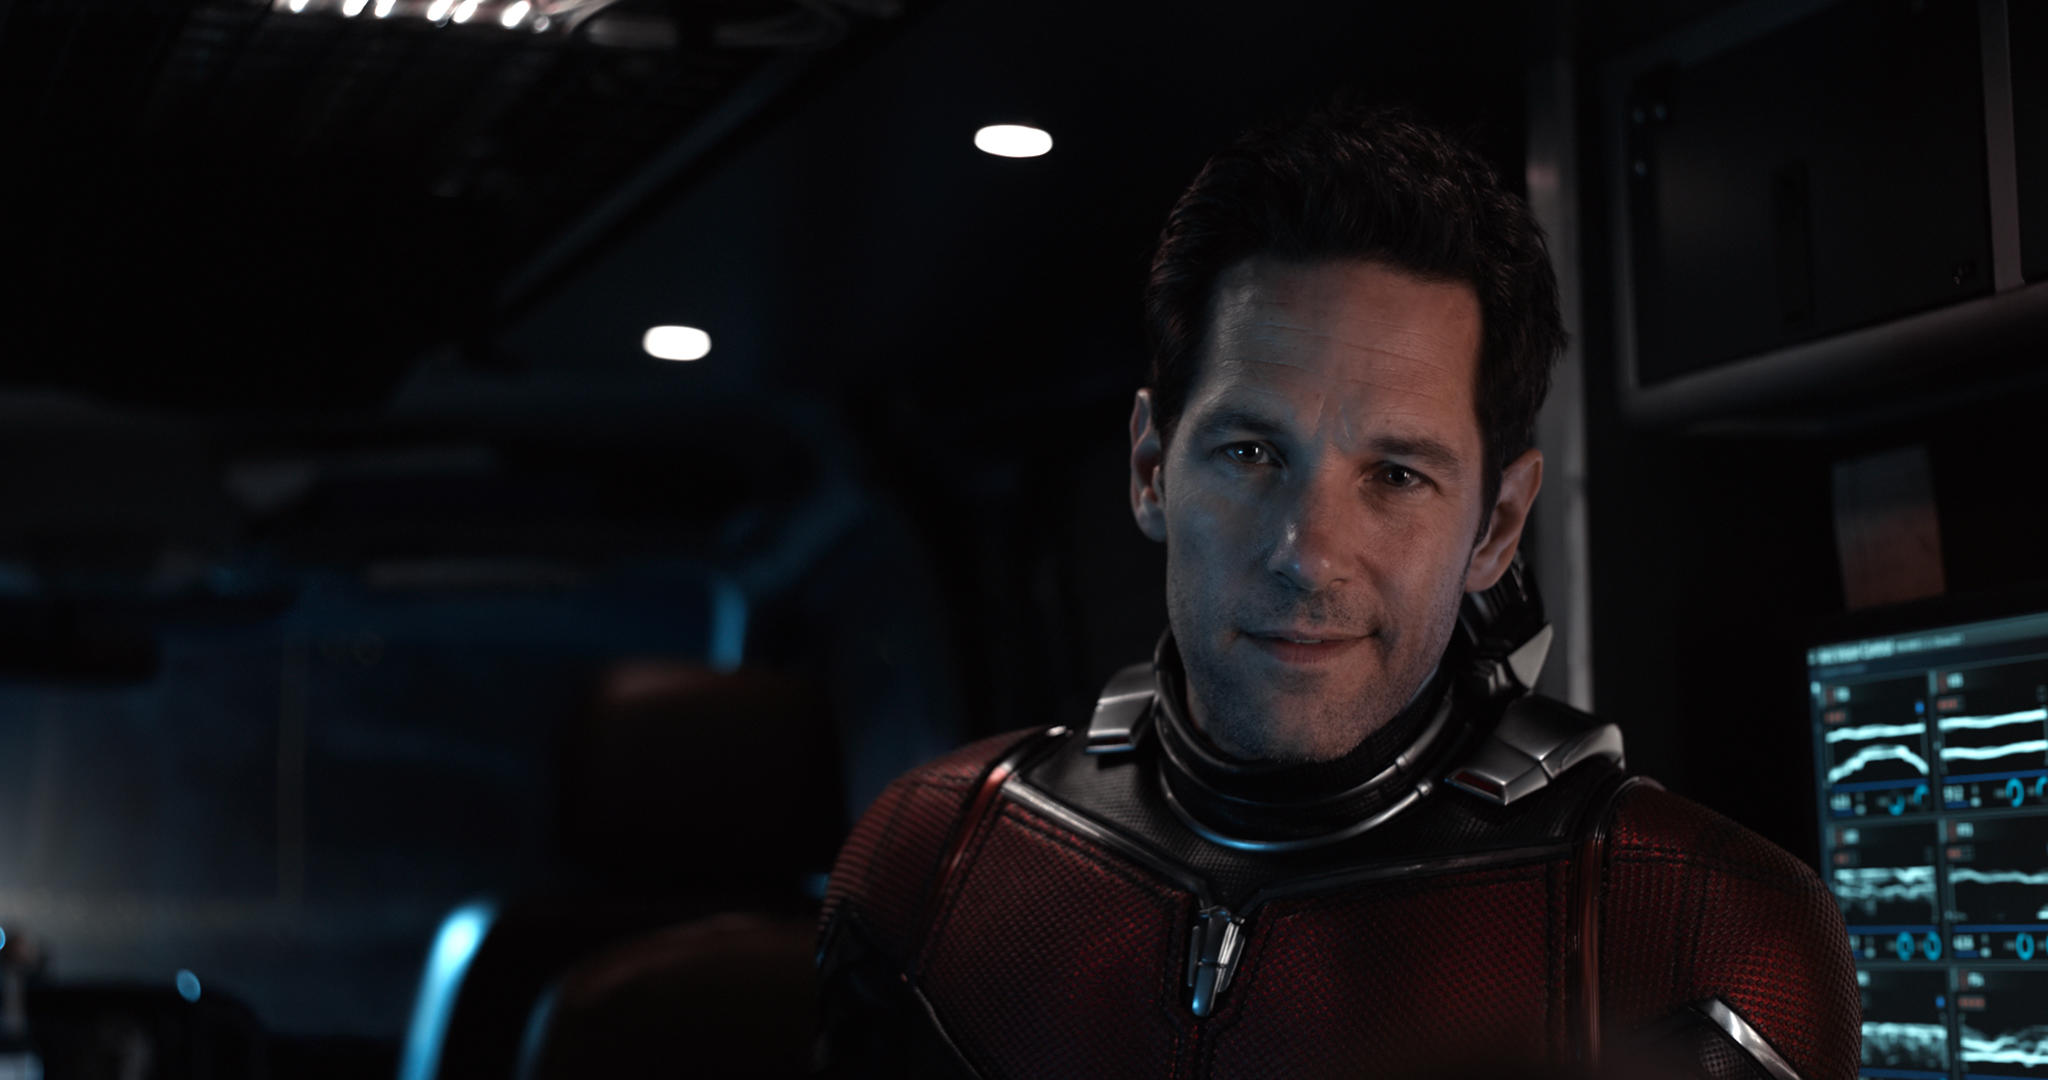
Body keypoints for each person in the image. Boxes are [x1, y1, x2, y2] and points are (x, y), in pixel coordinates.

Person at [813, 106, 1859, 1079]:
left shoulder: (1688, 937)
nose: (1307, 555)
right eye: (1250, 453)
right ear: (1150, 470)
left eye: (1395, 475)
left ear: (1495, 526)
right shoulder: (932, 861)